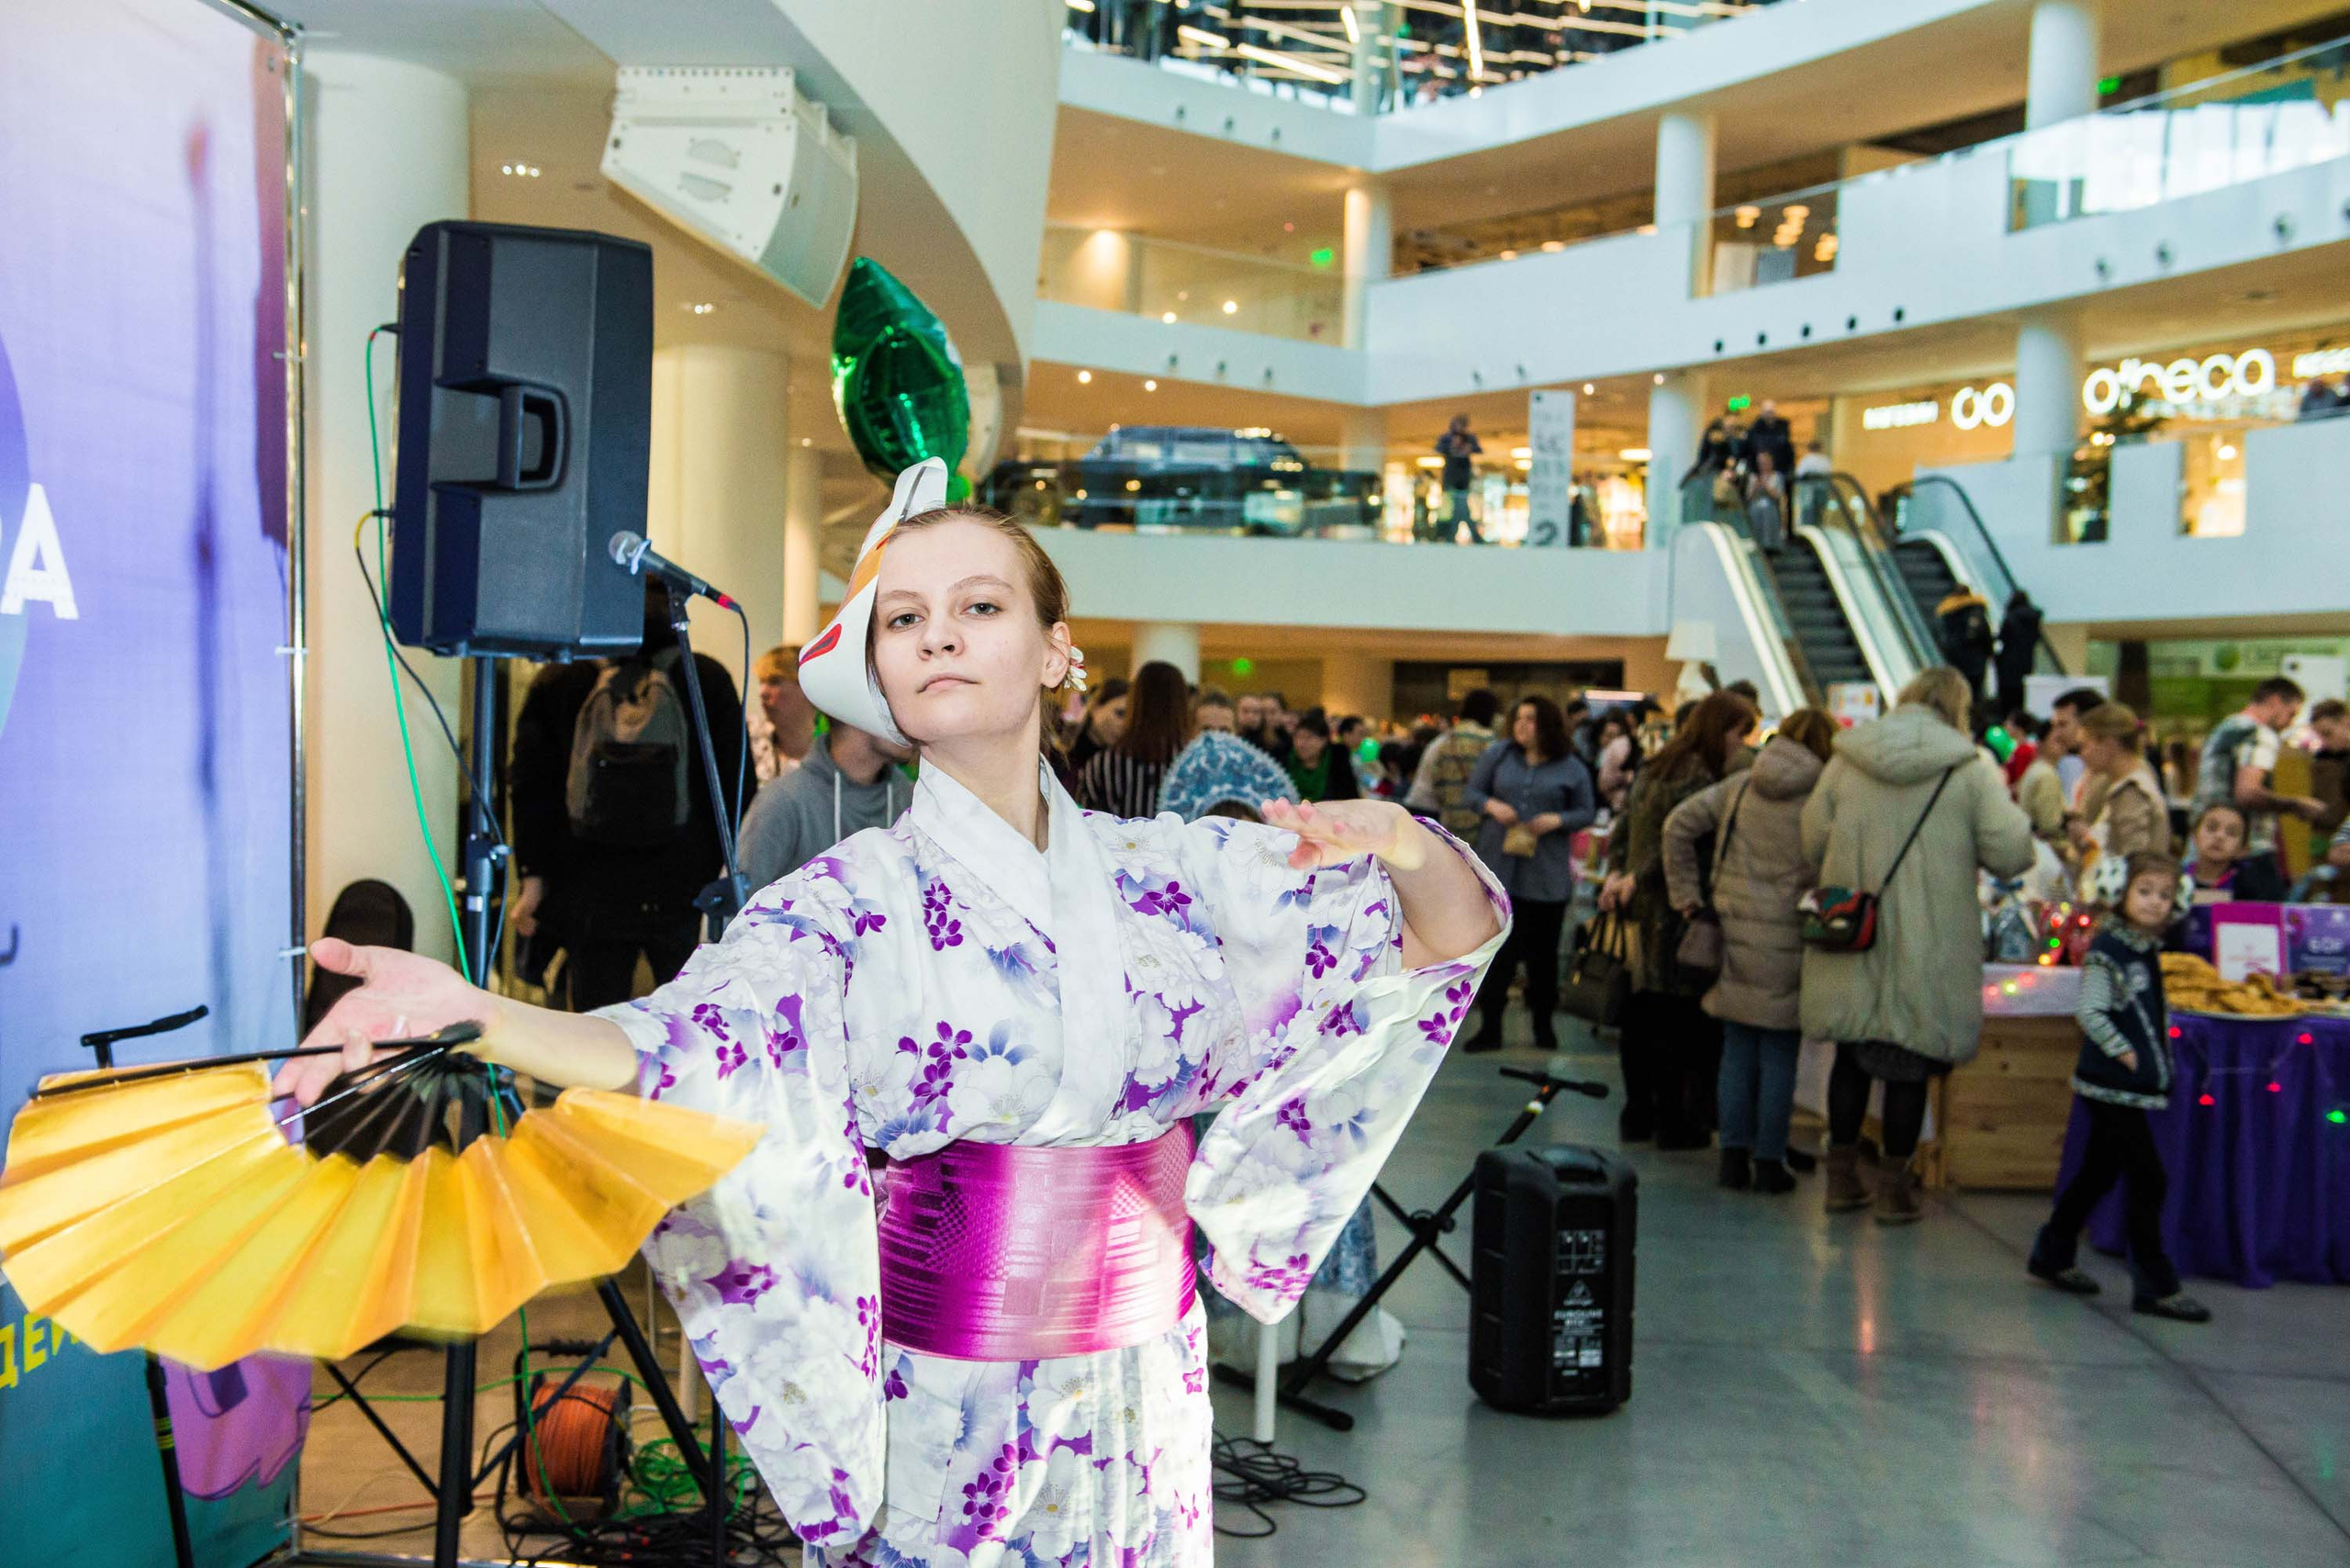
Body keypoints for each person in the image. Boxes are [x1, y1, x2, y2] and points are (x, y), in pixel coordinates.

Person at [281, 461, 1509, 1568]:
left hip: (1145, 1399)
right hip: (946, 1416)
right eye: (904, 620)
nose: (939, 637)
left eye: (980, 607)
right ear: (877, 672)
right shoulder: (848, 905)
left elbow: (1446, 940)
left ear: (1054, 649)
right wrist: (475, 1013)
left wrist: (1401, 839)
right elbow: (677, 1041)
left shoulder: (1179, 874)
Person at [1802, 667, 2034, 1224]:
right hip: (1930, 939)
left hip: (1853, 929)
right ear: (1957, 707)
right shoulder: (1970, 769)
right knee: (1909, 1058)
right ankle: (1894, 1191)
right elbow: (2011, 853)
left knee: (1852, 1056)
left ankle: (1839, 1181)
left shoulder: (1846, 759)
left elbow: (1811, 838)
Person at [508, 581, 747, 1012]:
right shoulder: (704, 678)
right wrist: (729, 869)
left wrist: (533, 877)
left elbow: (530, 787)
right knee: (690, 1026)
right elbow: (734, 781)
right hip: (683, 887)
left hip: (587, 886)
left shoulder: (561, 679)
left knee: (597, 1026)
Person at [2028, 852, 2211, 1323]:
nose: (2155, 903)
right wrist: (2124, 1051)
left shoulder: (2145, 950)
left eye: (2165, 895)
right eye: (2144, 891)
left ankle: (2053, 1251)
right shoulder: (2110, 951)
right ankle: (2155, 1283)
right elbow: (2090, 1012)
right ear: (2121, 893)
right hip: (2112, 1084)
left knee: (2099, 1171)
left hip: (2127, 1083)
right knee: (2148, 1176)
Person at [1662, 708, 1838, 1193]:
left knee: (1737, 1051)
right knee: (1780, 1054)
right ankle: (1767, 1161)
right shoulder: (1822, 800)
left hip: (1732, 935)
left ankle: (1732, 1158)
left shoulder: (1741, 785)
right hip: (1790, 939)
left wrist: (1687, 898)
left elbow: (1677, 825)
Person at [1599, 691, 1759, 1147]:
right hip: (1679, 905)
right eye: (1738, 732)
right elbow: (1676, 840)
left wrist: (1618, 873)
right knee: (1681, 1019)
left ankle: (1637, 1115)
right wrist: (1639, 875)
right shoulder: (1703, 776)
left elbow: (1625, 826)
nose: (1741, 743)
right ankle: (1674, 1121)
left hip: (1641, 905)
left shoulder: (1655, 765)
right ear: (1719, 729)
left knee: (1643, 1011)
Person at [1460, 695, 1598, 1054]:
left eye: (1531, 719)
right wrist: (1491, 805)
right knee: (1498, 954)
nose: (1522, 726)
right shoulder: (1498, 755)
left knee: (1543, 957)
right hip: (1499, 869)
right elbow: (1472, 793)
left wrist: (1558, 820)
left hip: (1546, 875)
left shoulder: (1571, 767)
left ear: (1548, 725)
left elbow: (1586, 810)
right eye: (1518, 719)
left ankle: (1543, 1025)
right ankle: (1490, 1027)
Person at [738, 718, 914, 892]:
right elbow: (733, 912)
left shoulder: (913, 800)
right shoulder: (784, 801)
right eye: (887, 697)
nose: (912, 718)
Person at [2193, 676, 2322, 883]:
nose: (2289, 724)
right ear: (2275, 701)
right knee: (2263, 913)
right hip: (2247, 851)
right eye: (2291, 714)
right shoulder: (2260, 734)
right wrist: (2296, 805)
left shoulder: (2224, 728)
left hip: (2206, 852)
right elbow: (2247, 793)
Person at [2068, 700, 2173, 888]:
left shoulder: (2131, 791)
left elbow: (2133, 862)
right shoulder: (2125, 785)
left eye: (2085, 745)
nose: (2082, 754)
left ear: (2108, 744)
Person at [1076, 659, 1190, 819]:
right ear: (1182, 705)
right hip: (1181, 844)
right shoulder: (1195, 764)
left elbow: (1085, 822)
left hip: (1113, 843)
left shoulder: (1105, 764)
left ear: (1135, 702)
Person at [1404, 688, 1503, 840]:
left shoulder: (1446, 739)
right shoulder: (1487, 739)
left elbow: (1437, 779)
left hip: (1444, 816)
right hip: (1475, 820)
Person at [750, 644, 817, 786]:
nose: (762, 692)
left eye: (774, 681)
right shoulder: (749, 744)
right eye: (761, 682)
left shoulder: (835, 753)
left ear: (806, 685)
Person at [1934, 585, 1996, 715]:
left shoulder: (1946, 612)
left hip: (1955, 660)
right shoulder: (1977, 612)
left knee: (1956, 690)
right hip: (1976, 661)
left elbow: (1941, 636)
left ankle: (1956, 716)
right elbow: (1985, 635)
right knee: (1975, 692)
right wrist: (1989, 652)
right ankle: (1974, 718)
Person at [2013, 710, 2069, 846]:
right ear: (2041, 742)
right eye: (2057, 740)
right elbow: (2049, 824)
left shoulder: (2036, 769)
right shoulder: (2046, 774)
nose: (2063, 745)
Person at [1285, 710, 1362, 803]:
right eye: (1298, 737)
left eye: (1308, 737)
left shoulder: (1337, 762)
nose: (1301, 744)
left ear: (1323, 740)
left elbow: (1350, 797)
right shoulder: (1286, 761)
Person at [2046, 685, 2105, 807]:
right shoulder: (2091, 769)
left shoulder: (2110, 773)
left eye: (2062, 725)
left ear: (2088, 724)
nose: (2055, 735)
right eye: (2054, 726)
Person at [1064, 676, 1130, 778]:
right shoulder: (1061, 757)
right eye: (1120, 713)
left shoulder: (1121, 767)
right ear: (1095, 707)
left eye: (1131, 719)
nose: (1125, 724)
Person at [1993, 590, 2042, 722]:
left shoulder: (2011, 617)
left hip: (2008, 664)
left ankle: (2007, 722)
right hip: (2026, 664)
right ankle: (2020, 723)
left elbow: (2003, 637)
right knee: (2021, 698)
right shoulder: (2034, 619)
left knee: (2007, 699)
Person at [1435, 414, 1484, 543]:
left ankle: (1450, 536)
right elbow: (1438, 448)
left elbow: (1478, 449)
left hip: (1463, 479)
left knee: (1460, 507)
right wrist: (1451, 447)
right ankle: (1466, 536)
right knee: (1459, 509)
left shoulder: (1469, 439)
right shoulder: (1447, 438)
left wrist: (1469, 448)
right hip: (1451, 478)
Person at [1594, 708, 1639, 812]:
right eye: (1608, 735)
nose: (1613, 741)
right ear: (1599, 736)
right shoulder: (1591, 764)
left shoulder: (1627, 759)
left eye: (1618, 736)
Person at [1743, 449, 1787, 553]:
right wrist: (1755, 486)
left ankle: (1770, 544)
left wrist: (1766, 486)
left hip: (1770, 507)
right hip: (1755, 506)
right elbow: (1748, 497)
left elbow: (1778, 495)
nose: (1763, 466)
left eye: (1765, 463)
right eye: (1760, 463)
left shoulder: (1776, 476)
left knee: (1768, 512)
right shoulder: (1753, 477)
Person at [1741, 398, 1795, 481]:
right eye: (1767, 413)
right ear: (1762, 413)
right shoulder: (1754, 430)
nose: (1770, 415)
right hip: (1758, 472)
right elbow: (1748, 450)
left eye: (1771, 412)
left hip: (1780, 470)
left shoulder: (1782, 429)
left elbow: (1787, 448)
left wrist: (1789, 468)